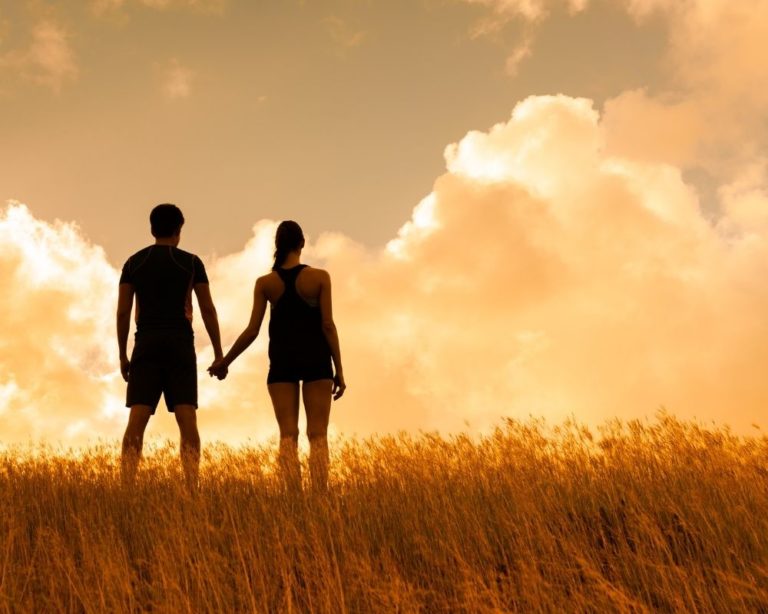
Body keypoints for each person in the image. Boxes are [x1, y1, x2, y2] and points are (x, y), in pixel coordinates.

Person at [208, 220, 346, 492]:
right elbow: (327, 325)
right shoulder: (320, 278)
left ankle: (292, 498)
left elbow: (252, 330)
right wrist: (339, 369)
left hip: (282, 363)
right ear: (302, 243)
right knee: (318, 435)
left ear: (277, 246)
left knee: (288, 435)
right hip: (317, 360)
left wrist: (225, 362)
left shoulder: (266, 283)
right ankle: (319, 497)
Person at [117, 203, 223, 490]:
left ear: (152, 229)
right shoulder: (191, 262)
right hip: (179, 343)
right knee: (187, 416)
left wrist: (122, 355)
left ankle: (126, 486)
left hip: (146, 342)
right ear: (179, 230)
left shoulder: (133, 263)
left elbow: (123, 312)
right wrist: (218, 353)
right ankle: (191, 488)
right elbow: (208, 309)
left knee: (137, 416)